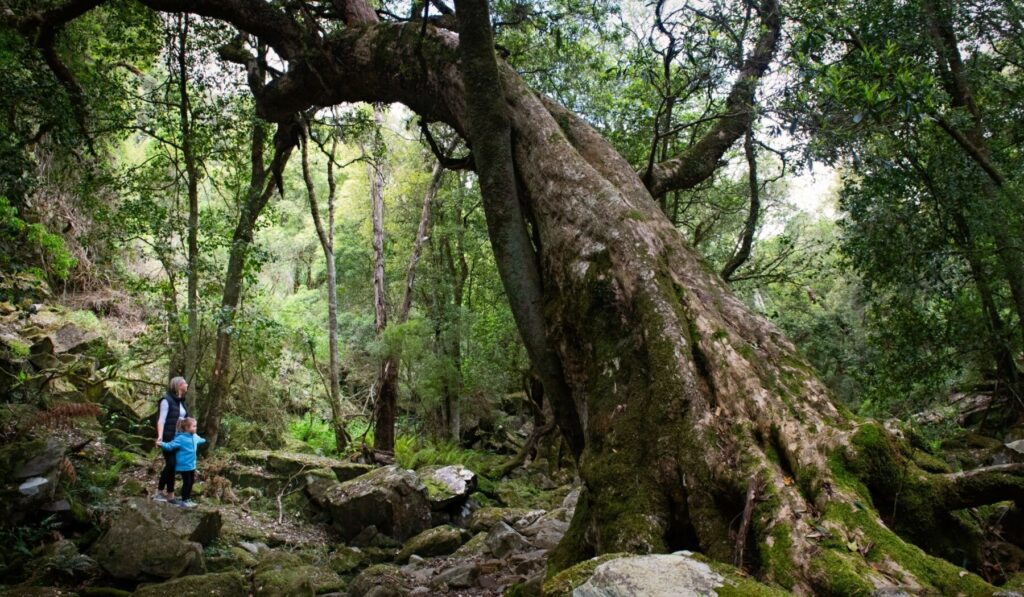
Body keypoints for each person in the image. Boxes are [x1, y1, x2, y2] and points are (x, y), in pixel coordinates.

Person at [158, 417, 206, 508]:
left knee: (191, 482)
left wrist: (203, 439)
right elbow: (170, 446)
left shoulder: (195, 437)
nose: (196, 428)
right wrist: (162, 444)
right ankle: (184, 501)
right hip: (184, 466)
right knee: (187, 482)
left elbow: (201, 440)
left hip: (192, 465)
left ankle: (188, 499)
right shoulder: (180, 438)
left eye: (196, 426)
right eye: (194, 426)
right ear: (187, 428)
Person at [154, 376, 188, 502]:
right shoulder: (166, 400)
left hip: (179, 438)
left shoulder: (181, 401)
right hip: (168, 436)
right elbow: (161, 420)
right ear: (179, 385)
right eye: (184, 383)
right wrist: (160, 437)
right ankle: (159, 492)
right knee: (171, 463)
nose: (187, 384)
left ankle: (170, 494)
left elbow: (184, 421)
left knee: (173, 465)